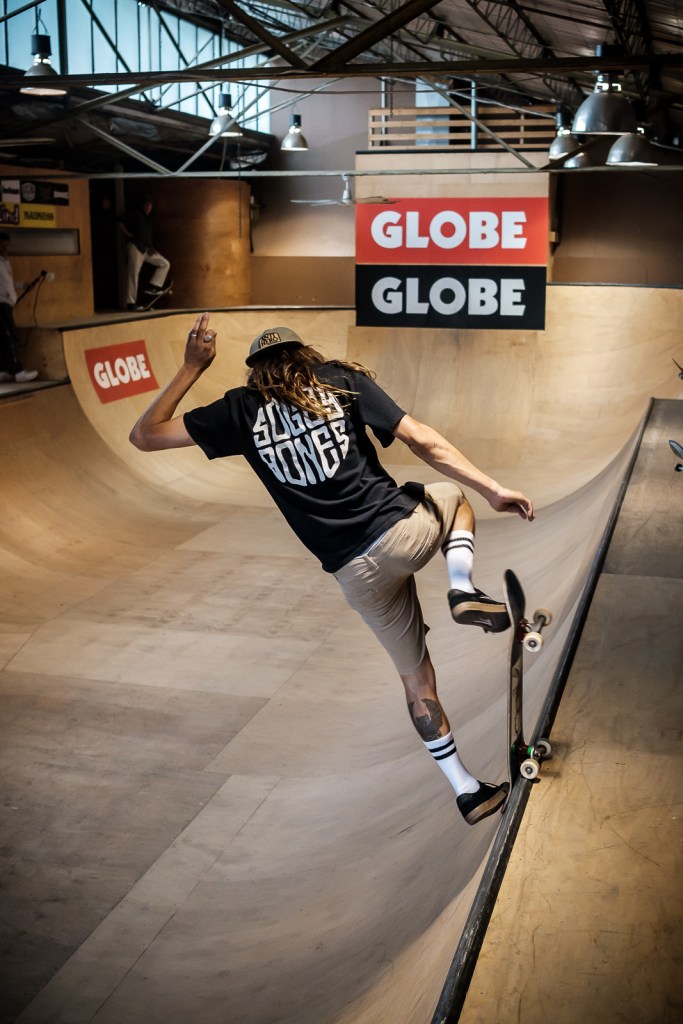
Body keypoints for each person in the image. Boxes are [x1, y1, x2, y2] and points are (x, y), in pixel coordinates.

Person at [130, 314, 535, 826]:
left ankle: (467, 791)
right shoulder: (340, 380)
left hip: (355, 575)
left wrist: (192, 367)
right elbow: (423, 440)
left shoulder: (238, 409)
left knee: (418, 683)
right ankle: (461, 587)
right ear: (305, 355)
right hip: (400, 534)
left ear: (255, 370)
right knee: (453, 497)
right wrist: (493, 489)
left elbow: (144, 436)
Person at [118, 196, 170, 311]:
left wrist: (154, 250)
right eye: (146, 205)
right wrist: (127, 234)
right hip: (135, 247)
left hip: (147, 249)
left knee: (165, 263)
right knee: (133, 274)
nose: (148, 207)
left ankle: (153, 286)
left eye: (150, 205)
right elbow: (120, 221)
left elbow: (148, 237)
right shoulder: (136, 214)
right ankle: (131, 303)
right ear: (143, 205)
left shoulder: (149, 220)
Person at [0, 232, 38, 383]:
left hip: (7, 304)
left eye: (8, 244)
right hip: (1, 304)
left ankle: (3, 370)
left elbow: (7, 283)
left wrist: (22, 285)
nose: (7, 248)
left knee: (3, 337)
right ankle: (18, 371)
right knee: (10, 337)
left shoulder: (5, 262)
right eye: (3, 245)